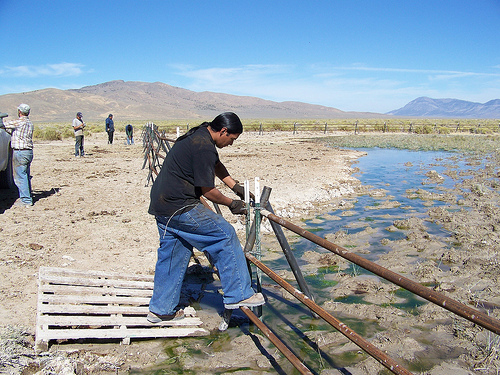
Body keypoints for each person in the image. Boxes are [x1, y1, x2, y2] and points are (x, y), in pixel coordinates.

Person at [147, 112, 264, 323]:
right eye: (232, 139)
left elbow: (216, 165)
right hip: (180, 206)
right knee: (225, 235)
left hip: (162, 205)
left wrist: (234, 186)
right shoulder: (203, 147)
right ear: (223, 131)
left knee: (173, 254)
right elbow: (208, 191)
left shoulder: (201, 135)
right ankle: (239, 295)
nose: (231, 144)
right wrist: (232, 204)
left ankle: (161, 310)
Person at [1, 104, 34, 206]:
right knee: (25, 175)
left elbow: (3, 125)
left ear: (19, 111)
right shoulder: (30, 123)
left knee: (20, 176)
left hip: (20, 151)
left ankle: (26, 200)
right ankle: (28, 197)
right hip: (28, 152)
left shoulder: (19, 122)